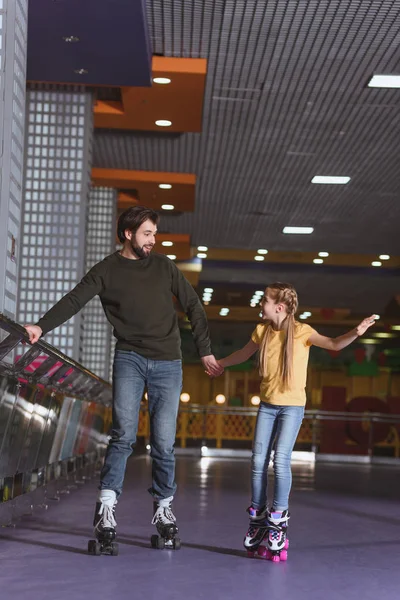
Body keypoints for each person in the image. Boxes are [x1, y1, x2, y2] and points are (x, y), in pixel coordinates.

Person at [24, 205, 222, 551]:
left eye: (155, 234)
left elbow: (194, 305)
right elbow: (74, 300)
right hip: (129, 358)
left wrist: (204, 350)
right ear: (128, 234)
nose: (153, 240)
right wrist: (41, 326)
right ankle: (106, 508)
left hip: (168, 363)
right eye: (147, 233)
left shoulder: (164, 266)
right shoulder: (107, 270)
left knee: (163, 442)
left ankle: (164, 510)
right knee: (123, 436)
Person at [215, 282, 376, 561]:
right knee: (257, 461)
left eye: (264, 300)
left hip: (292, 407)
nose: (260, 304)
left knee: (281, 461)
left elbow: (335, 344)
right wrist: (220, 364)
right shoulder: (261, 331)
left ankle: (277, 522)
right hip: (267, 406)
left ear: (278, 307)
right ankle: (257, 519)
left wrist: (357, 332)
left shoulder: (303, 332)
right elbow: (243, 354)